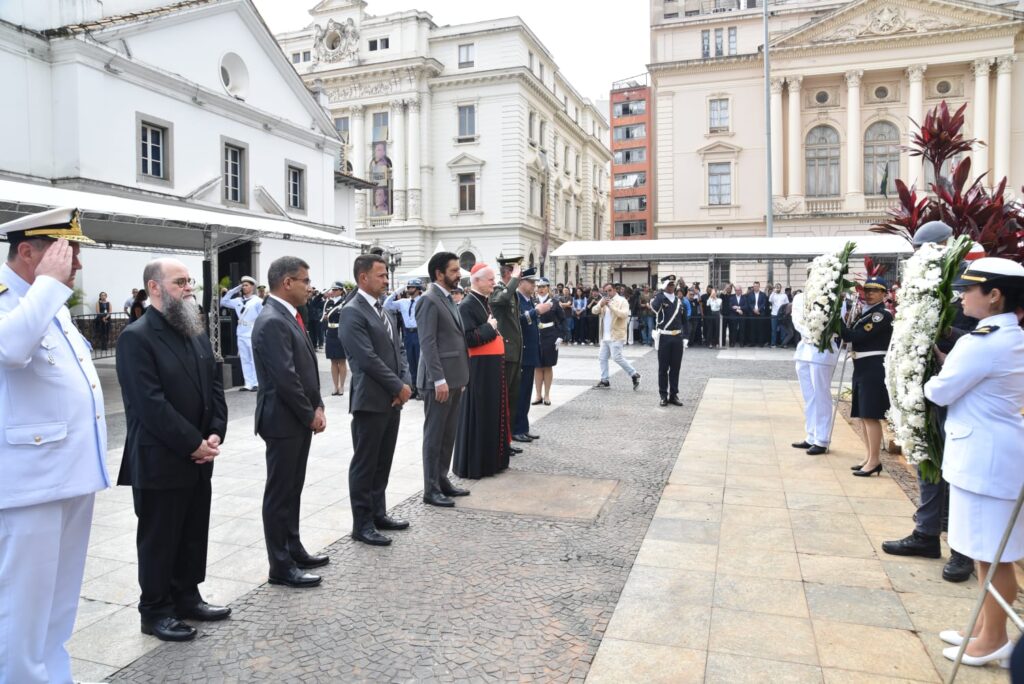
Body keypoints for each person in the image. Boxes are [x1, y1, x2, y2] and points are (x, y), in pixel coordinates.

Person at [0, 207, 110, 683]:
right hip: (27, 485)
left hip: (70, 476)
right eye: (68, 252)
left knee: (58, 606)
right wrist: (46, 285)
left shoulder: (53, 305)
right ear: (28, 252)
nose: (77, 265)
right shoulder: (16, 300)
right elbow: (11, 348)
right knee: (20, 611)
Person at [115, 258, 230, 642]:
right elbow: (149, 404)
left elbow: (214, 386)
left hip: (200, 455)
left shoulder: (194, 329)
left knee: (193, 531)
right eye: (180, 282)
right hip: (160, 458)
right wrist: (191, 443)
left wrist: (215, 432)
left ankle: (187, 596)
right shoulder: (137, 336)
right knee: (160, 539)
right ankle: (155, 610)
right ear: (155, 288)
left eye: (189, 281)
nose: (189, 288)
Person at [925, 258, 1024, 668]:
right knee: (988, 552)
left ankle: (994, 640)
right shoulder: (1007, 337)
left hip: (984, 458)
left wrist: (937, 376)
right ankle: (985, 630)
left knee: (994, 554)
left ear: (994, 295)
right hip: (993, 454)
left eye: (969, 289)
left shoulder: (985, 342)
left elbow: (940, 391)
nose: (963, 296)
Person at [882, 221, 976, 583]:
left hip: (959, 389)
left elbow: (980, 335)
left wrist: (946, 336)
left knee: (955, 469)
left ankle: (962, 550)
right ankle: (926, 533)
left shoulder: (969, 283)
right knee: (925, 454)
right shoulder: (926, 285)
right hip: (926, 386)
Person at [252, 257, 327, 588]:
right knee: (280, 493)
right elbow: (285, 378)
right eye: (304, 280)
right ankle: (280, 565)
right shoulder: (272, 320)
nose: (309, 287)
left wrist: (319, 403)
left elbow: (306, 367)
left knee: (293, 489)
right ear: (286, 283)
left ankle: (293, 547)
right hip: (283, 420)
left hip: (296, 418)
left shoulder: (291, 315)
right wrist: (309, 412)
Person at [339, 255, 413, 544]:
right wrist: (397, 386)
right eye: (381, 275)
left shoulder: (384, 309)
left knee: (383, 461)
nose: (386, 280)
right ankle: (362, 524)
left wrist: (404, 383)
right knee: (365, 464)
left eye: (386, 274)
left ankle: (378, 512)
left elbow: (399, 351)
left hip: (392, 399)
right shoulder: (352, 311)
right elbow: (366, 359)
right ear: (363, 278)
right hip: (370, 400)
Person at [415, 252, 471, 507]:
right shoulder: (429, 300)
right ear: (439, 273)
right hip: (439, 381)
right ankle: (431, 488)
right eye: (454, 270)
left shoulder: (448, 298)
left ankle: (442, 479)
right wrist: (438, 379)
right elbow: (428, 343)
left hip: (454, 377)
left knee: (449, 434)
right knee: (434, 435)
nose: (459, 274)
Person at [454, 264, 511, 479]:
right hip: (480, 370)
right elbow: (468, 338)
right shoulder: (467, 305)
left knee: (493, 414)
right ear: (476, 281)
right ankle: (480, 464)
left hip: (491, 367)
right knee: (481, 415)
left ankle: (493, 460)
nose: (494, 283)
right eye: (490, 279)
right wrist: (490, 327)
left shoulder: (483, 302)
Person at [839, 275, 893, 477]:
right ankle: (869, 456)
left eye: (875, 290)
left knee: (870, 415)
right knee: (863, 415)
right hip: (862, 366)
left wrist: (837, 322)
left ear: (884, 294)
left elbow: (857, 336)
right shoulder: (867, 313)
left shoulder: (881, 315)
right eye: (867, 290)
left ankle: (874, 461)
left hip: (873, 367)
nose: (869, 294)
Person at [790, 288, 840, 456]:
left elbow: (834, 322)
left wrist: (816, 332)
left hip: (822, 349)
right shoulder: (800, 297)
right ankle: (811, 435)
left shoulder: (833, 297)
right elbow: (796, 319)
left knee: (821, 394)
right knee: (809, 396)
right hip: (805, 347)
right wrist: (810, 332)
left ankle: (822, 439)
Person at [490, 260, 524, 455]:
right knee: (505, 400)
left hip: (515, 352)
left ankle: (507, 442)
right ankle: (501, 442)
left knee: (513, 399)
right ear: (508, 274)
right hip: (507, 352)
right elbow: (499, 301)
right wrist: (514, 281)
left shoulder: (510, 292)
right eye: (516, 275)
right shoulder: (498, 290)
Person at [513, 269, 550, 443]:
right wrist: (536, 311)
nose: (534, 285)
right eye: (531, 282)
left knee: (527, 392)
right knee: (520, 394)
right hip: (523, 352)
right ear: (520, 282)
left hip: (531, 352)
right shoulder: (516, 299)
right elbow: (517, 321)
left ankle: (523, 427)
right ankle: (516, 429)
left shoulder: (529, 299)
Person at [592, 282, 642, 392]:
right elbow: (594, 311)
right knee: (602, 357)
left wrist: (610, 306)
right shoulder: (603, 300)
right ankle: (605, 380)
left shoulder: (622, 301)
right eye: (606, 291)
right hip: (605, 335)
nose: (608, 293)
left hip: (617, 334)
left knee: (616, 357)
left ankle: (634, 374)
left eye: (610, 290)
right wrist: (601, 305)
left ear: (615, 290)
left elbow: (623, 315)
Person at [220, 276, 263, 391]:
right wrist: (234, 289)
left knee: (254, 359)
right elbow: (223, 301)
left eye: (246, 285)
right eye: (242, 285)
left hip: (252, 332)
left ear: (252, 287)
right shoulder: (238, 301)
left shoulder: (258, 301)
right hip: (241, 333)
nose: (244, 287)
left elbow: (262, 318)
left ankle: (257, 383)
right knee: (245, 359)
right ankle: (248, 383)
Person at [384, 278, 424, 400]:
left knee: (419, 362)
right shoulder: (403, 302)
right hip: (408, 334)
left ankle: (421, 389)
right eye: (408, 287)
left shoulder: (423, 301)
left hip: (419, 333)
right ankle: (413, 389)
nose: (409, 289)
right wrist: (396, 292)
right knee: (410, 362)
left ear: (418, 290)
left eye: (412, 287)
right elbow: (386, 305)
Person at [650, 276, 686, 406]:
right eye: (669, 285)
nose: (672, 287)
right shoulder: (660, 298)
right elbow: (654, 308)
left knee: (675, 368)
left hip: (677, 337)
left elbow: (683, 319)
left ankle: (673, 394)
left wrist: (685, 337)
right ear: (664, 285)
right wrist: (661, 292)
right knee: (663, 368)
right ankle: (663, 395)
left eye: (673, 285)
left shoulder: (678, 300)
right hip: (664, 337)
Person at [533, 278, 564, 406]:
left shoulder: (554, 302)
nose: (541, 289)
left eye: (544, 287)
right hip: (536, 335)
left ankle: (546, 395)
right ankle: (538, 395)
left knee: (548, 365)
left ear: (548, 288)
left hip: (550, 335)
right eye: (539, 287)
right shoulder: (532, 301)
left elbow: (562, 319)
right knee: (537, 366)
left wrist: (560, 336)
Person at [321, 282, 348, 396]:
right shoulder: (329, 302)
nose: (334, 291)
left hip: (341, 332)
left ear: (341, 291)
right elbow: (325, 317)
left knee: (341, 360)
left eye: (337, 290)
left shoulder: (345, 303)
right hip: (331, 333)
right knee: (333, 360)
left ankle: (341, 386)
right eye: (333, 289)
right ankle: (335, 386)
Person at [743, 281, 769, 347]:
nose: (756, 287)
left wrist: (759, 309)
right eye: (754, 286)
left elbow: (764, 303)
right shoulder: (750, 294)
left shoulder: (763, 294)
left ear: (759, 286)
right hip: (752, 313)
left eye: (757, 286)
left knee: (761, 329)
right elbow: (749, 303)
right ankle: (752, 342)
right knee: (752, 329)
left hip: (760, 313)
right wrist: (753, 310)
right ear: (753, 287)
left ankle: (761, 343)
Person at [769, 283, 790, 348]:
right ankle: (773, 344)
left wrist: (786, 313)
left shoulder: (784, 295)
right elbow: (770, 300)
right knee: (774, 329)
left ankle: (783, 343)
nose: (778, 288)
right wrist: (773, 292)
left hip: (782, 315)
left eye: (779, 287)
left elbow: (787, 304)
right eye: (776, 287)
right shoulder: (773, 295)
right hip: (774, 314)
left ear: (781, 288)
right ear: (774, 288)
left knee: (783, 329)